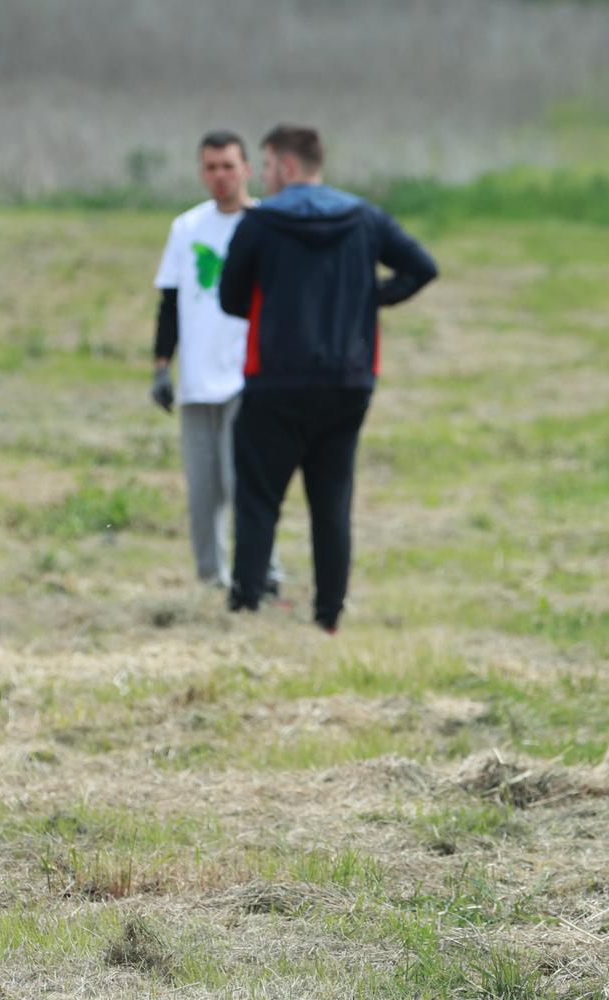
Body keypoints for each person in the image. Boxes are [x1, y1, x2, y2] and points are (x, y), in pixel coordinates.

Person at [218, 123, 437, 632]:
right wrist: (370, 297)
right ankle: (329, 614)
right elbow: (421, 267)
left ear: (287, 166)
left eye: (267, 165)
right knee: (332, 500)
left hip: (275, 378)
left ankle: (247, 603)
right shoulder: (364, 217)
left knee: (258, 498)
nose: (266, 175)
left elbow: (231, 298)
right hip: (348, 379)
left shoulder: (261, 223)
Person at [150, 130, 279, 592]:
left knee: (245, 482)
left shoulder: (268, 223)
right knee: (202, 491)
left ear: (246, 168)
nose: (220, 176)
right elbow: (169, 303)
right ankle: (210, 580)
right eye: (211, 167)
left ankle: (263, 574)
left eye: (228, 166)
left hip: (249, 377)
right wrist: (162, 367)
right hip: (197, 379)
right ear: (200, 172)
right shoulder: (187, 229)